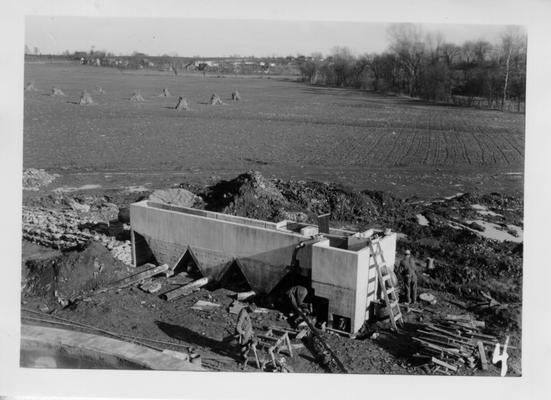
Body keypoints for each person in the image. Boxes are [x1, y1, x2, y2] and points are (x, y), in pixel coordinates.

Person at [235, 304, 256, 368]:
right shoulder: (243, 312)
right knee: (243, 347)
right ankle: (242, 361)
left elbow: (246, 323)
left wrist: (251, 331)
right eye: (251, 310)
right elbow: (238, 325)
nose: (251, 312)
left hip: (248, 333)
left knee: (247, 347)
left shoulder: (246, 312)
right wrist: (241, 332)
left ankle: (243, 359)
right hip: (244, 334)